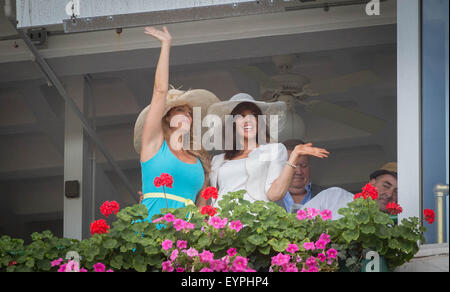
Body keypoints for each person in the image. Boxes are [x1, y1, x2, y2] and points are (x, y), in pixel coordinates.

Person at [134, 26, 220, 221]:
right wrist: (166, 45)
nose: (187, 116)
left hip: (185, 238)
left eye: (190, 113)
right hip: (151, 230)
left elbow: (201, 207)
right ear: (166, 117)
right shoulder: (154, 145)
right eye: (180, 110)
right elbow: (160, 91)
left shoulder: (199, 159)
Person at [207, 93, 330, 206]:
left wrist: (294, 156)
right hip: (222, 224)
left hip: (253, 223)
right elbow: (213, 198)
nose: (247, 120)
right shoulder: (218, 160)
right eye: (241, 116)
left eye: (253, 115)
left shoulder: (273, 151)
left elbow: (274, 194)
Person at [302, 162, 398, 220]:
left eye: (396, 192)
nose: (389, 194)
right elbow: (300, 220)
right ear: (372, 183)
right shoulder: (335, 196)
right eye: (386, 186)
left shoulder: (388, 228)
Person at [275, 139, 325, 213]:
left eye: (304, 166)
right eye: (293, 166)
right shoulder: (266, 196)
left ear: (309, 167)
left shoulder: (326, 196)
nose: (299, 171)